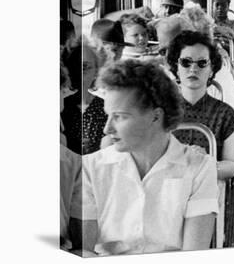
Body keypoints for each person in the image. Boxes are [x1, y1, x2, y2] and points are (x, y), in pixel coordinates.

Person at [75, 59, 218, 256]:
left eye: (120, 116)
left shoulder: (199, 168)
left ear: (155, 116)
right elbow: (84, 250)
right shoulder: (90, 169)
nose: (107, 128)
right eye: (108, 115)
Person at [166, 31, 234, 181]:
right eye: (186, 62)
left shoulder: (226, 115)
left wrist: (200, 166)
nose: (193, 69)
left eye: (201, 63)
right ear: (176, 66)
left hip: (207, 185)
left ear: (211, 70)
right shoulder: (162, 112)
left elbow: (231, 165)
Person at [61, 40, 108, 155]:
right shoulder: (61, 107)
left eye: (85, 66)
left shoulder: (106, 107)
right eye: (75, 65)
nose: (80, 72)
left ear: (96, 71)